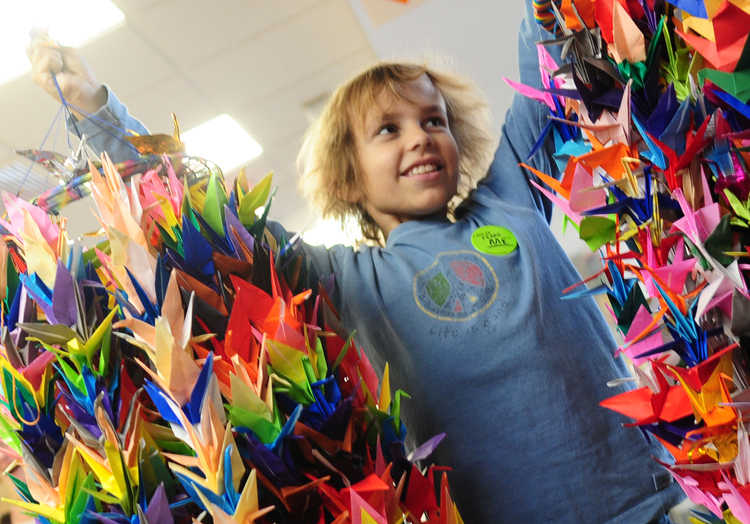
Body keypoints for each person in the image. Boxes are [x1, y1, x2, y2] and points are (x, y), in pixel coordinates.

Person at [28, 2, 686, 522]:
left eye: (434, 121)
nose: (420, 137)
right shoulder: (346, 278)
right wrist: (98, 111)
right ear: (347, 175)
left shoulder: (512, 196)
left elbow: (548, 66)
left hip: (661, 499)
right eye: (388, 130)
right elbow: (214, 214)